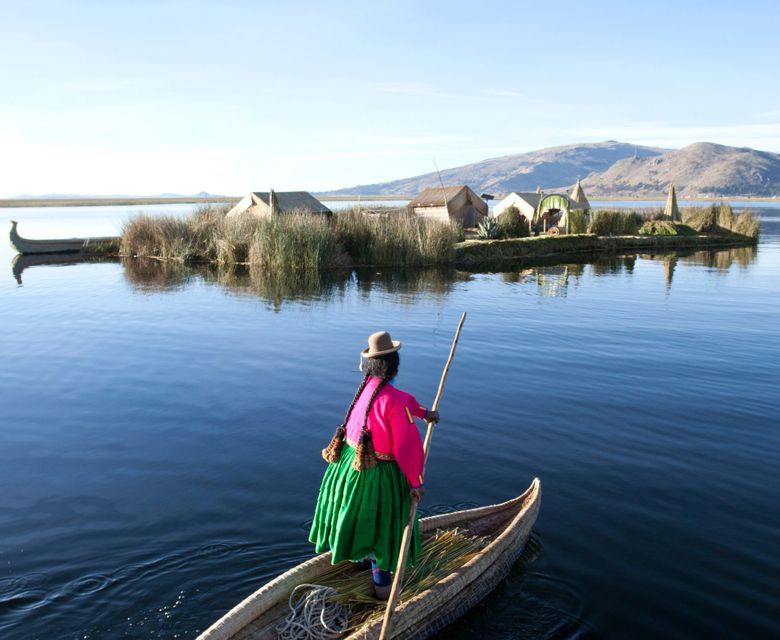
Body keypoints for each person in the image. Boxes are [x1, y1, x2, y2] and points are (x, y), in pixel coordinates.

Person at [308, 330, 439, 599]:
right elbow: (406, 447)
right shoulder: (395, 399)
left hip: (349, 468)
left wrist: (425, 413)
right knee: (383, 531)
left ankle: (359, 560)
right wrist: (416, 482)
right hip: (378, 474)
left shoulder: (365, 390)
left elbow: (406, 403)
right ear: (394, 366)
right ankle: (382, 593)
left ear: (370, 365)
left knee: (359, 520)